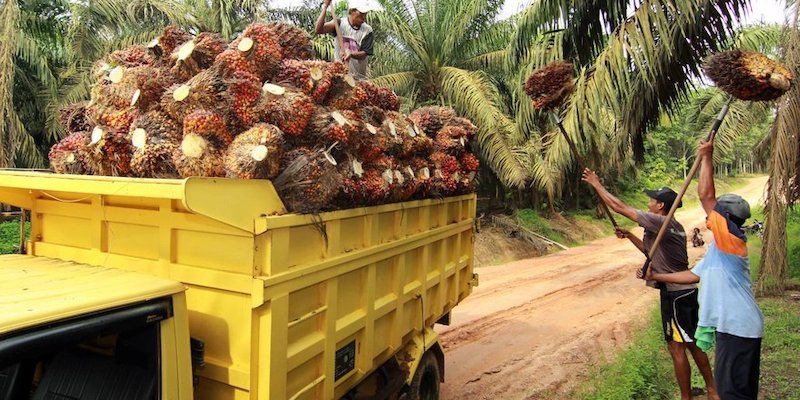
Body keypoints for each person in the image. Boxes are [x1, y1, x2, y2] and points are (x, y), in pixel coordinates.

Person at [582, 169, 719, 400]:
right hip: (684, 293)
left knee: (677, 348)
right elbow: (651, 253)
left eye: (652, 200)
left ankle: (687, 397)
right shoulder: (670, 226)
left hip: (674, 296)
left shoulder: (660, 221)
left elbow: (618, 207)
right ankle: (712, 389)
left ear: (661, 207)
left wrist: (596, 184)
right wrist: (630, 236)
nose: (648, 203)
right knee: (693, 343)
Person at [642, 140, 763, 400]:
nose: (710, 216)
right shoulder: (719, 249)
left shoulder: (730, 240)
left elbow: (706, 196)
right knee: (736, 390)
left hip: (738, 328)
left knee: (732, 393)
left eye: (717, 213)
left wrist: (706, 156)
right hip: (736, 328)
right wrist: (657, 276)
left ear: (725, 219)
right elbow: (693, 276)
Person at [315, 0, 376, 80]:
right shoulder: (339, 24)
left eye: (365, 15)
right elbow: (319, 30)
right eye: (361, 15)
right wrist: (325, 7)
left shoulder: (367, 30)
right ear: (352, 11)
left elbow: (364, 54)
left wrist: (351, 54)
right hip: (340, 75)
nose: (363, 19)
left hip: (359, 78)